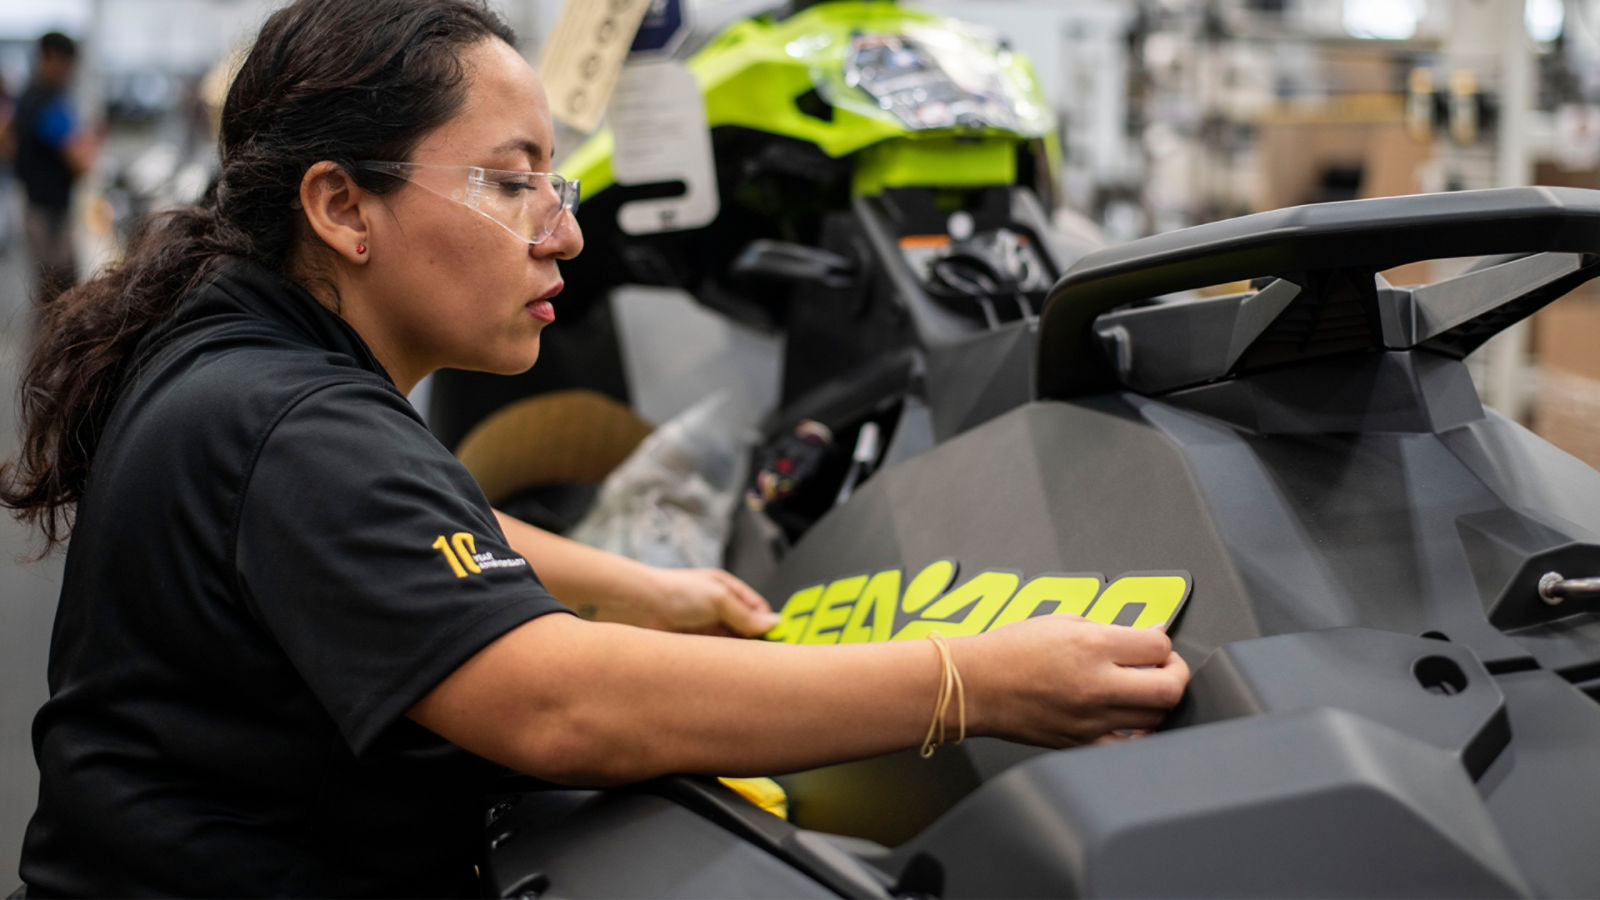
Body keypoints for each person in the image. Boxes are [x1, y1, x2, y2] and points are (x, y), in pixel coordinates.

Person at [0, 0, 1190, 895]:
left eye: (552, 182)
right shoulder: (289, 423)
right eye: (511, 185)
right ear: (342, 207)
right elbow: (561, 711)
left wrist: (641, 586)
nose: (562, 232)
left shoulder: (240, 358)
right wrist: (972, 682)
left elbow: (399, 527)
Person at [10, 32, 97, 302]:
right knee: (57, 296)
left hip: (40, 206)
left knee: (50, 292)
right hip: (47, 216)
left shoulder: (28, 97)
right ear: (50, 57)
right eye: (67, 63)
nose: (69, 72)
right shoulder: (46, 102)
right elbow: (79, 162)